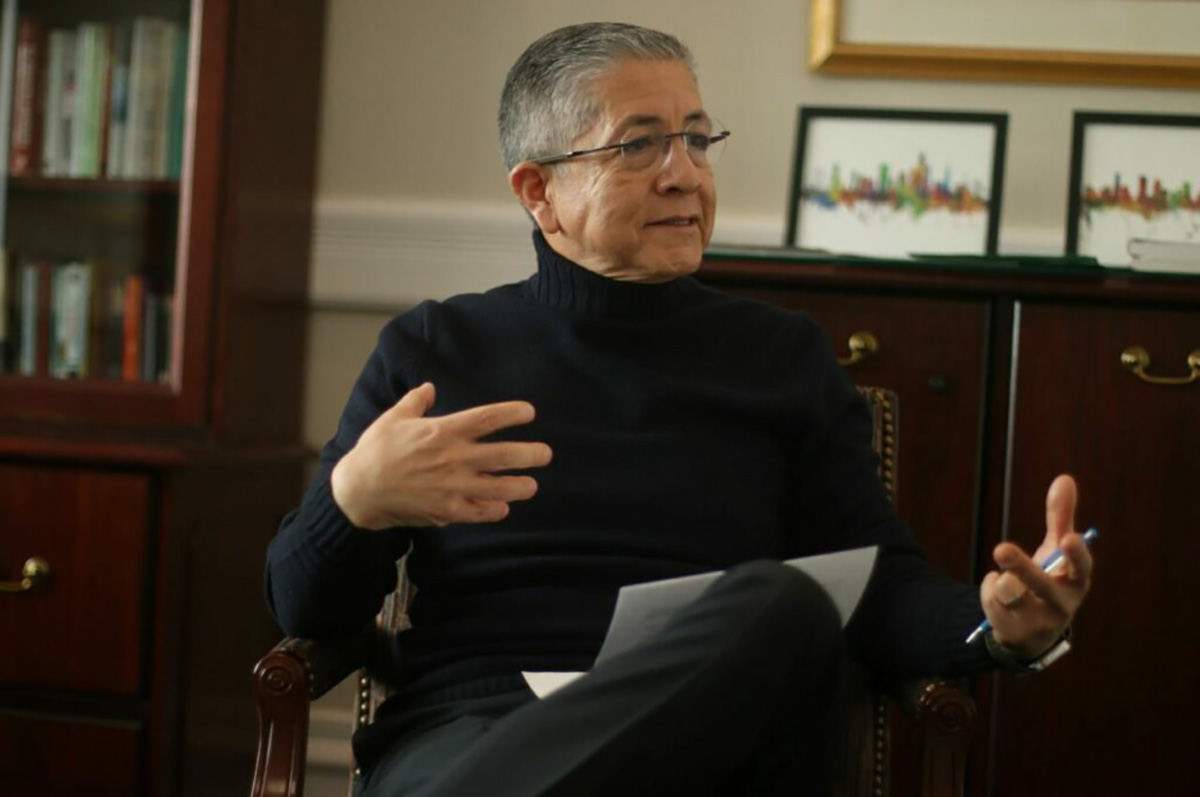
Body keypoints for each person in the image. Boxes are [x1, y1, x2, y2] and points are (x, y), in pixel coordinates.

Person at [266, 22, 1093, 796]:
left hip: (715, 741)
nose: (685, 173)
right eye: (640, 144)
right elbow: (308, 613)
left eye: (698, 139)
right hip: (481, 726)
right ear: (537, 191)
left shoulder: (781, 357)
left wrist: (994, 627)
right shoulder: (438, 350)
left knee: (786, 603)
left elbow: (879, 587)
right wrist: (353, 501)